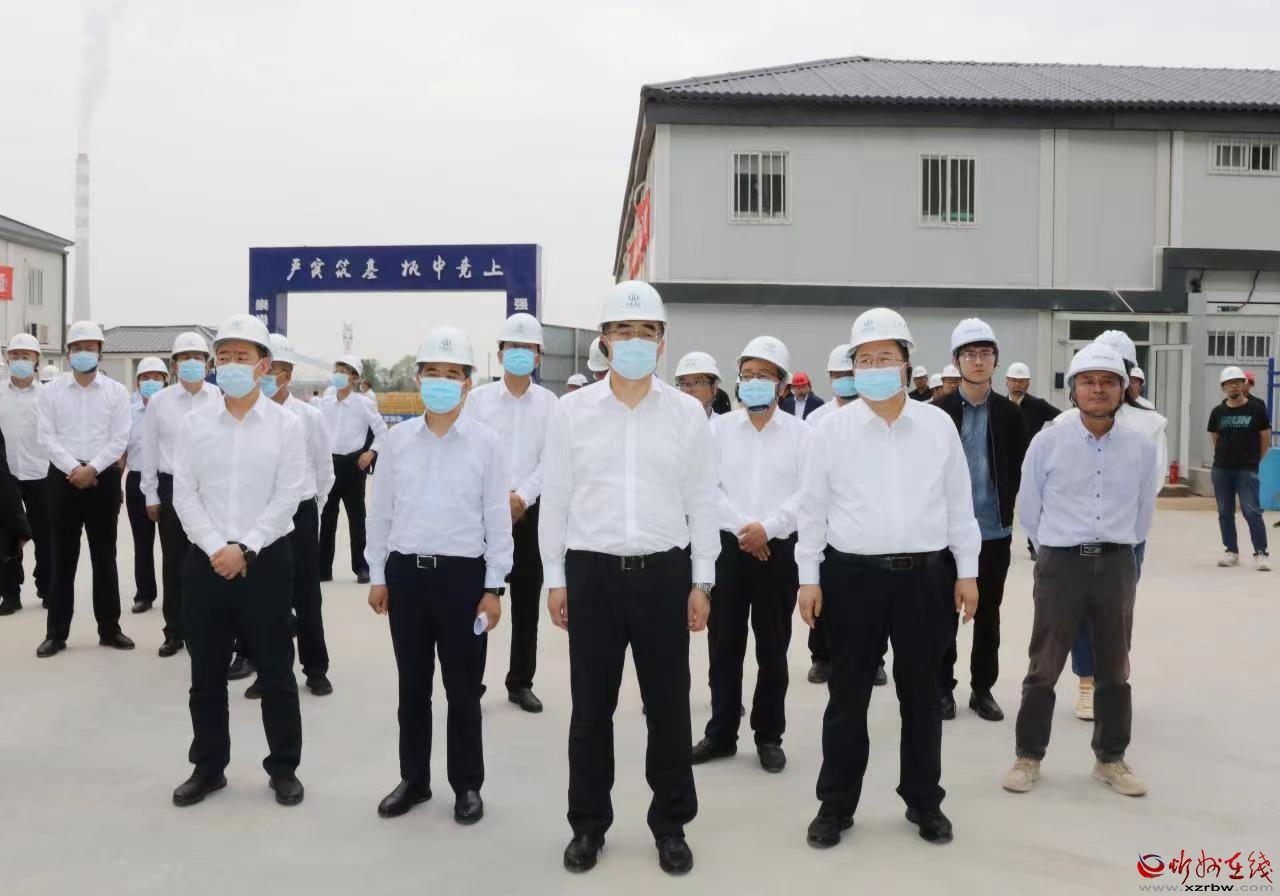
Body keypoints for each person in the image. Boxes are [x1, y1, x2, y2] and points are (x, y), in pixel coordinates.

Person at [540, 280, 717, 876]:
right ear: (605, 341)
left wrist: (702, 580)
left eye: (647, 332)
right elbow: (557, 498)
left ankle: (671, 824)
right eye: (623, 331)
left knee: (668, 708)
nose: (635, 341)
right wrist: (555, 577)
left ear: (662, 342)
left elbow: (702, 500)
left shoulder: (687, 414)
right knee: (591, 708)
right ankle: (588, 824)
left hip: (665, 574)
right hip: (593, 574)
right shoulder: (572, 412)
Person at [798, 307, 979, 849]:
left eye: (886, 357)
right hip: (853, 579)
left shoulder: (937, 425)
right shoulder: (830, 430)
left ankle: (924, 800)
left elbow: (959, 504)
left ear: (906, 364)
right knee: (847, 696)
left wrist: (967, 572)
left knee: (922, 696)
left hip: (925, 578)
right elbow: (812, 509)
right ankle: (835, 805)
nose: (876, 367)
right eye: (866, 359)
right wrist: (809, 577)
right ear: (853, 366)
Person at [366, 325, 512, 823]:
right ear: (419, 378)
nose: (443, 381)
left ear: (468, 382)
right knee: (413, 686)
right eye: (433, 372)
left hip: (463, 580)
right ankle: (414, 779)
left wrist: (494, 587)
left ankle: (467, 784)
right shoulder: (397, 441)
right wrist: (378, 574)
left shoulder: (487, 444)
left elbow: (497, 520)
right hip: (406, 576)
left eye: (453, 374)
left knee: (463, 688)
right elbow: (380, 513)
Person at [1002, 342, 1157, 798]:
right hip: (1061, 564)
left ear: (1123, 389)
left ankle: (1110, 759)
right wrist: (1053, 551)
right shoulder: (1049, 440)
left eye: (1108, 382)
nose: (1098, 389)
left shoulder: (1140, 445)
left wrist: (1119, 548)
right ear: (1073, 389)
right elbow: (1029, 508)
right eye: (1088, 381)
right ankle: (1028, 757)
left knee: (1115, 667)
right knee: (1044, 665)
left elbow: (1143, 512)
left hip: (1117, 563)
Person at [170, 313, 307, 809]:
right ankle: (208, 767)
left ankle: (284, 768)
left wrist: (245, 548)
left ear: (263, 365)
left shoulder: (287, 425)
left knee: (275, 670)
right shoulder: (194, 424)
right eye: (223, 356)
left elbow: (288, 495)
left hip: (265, 560)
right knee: (205, 672)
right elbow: (184, 494)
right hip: (207, 559)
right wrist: (216, 548)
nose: (229, 364)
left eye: (240, 357)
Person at [692, 336, 810, 774]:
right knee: (724, 646)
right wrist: (748, 529)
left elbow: (808, 494)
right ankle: (721, 732)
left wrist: (770, 528)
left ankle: (768, 735)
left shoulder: (802, 435)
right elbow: (706, 488)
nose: (754, 381)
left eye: (764, 375)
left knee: (773, 649)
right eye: (747, 375)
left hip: (779, 553)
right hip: (729, 549)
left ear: (782, 385)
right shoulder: (718, 430)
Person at [1049, 341, 1167, 720]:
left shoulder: (1150, 423)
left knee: (1116, 611)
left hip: (1125, 536)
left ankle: (1110, 681)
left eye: (1113, 374)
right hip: (1077, 535)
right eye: (1091, 377)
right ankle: (1087, 682)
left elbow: (1154, 481)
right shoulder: (1065, 424)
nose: (1100, 386)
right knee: (1081, 611)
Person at [933, 319, 1027, 723]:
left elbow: (1019, 469)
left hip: (993, 531)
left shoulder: (1010, 414)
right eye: (969, 354)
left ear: (995, 361)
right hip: (943, 535)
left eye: (985, 353)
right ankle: (942, 689)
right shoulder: (937, 413)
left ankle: (982, 689)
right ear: (956, 361)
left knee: (988, 615)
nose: (977, 360)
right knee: (942, 616)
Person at [464, 313, 556, 714]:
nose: (520, 353)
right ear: (500, 354)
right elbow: (470, 453)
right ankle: (471, 681)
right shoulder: (479, 401)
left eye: (528, 347)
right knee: (480, 599)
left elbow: (552, 459)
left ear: (538, 356)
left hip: (530, 513)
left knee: (526, 605)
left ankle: (520, 682)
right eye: (513, 346)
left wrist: (522, 497)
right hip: (484, 514)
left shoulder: (550, 404)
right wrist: (499, 498)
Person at [243, 334, 338, 698]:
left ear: (288, 374)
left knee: (307, 596)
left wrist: (313, 508)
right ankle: (269, 672)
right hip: (261, 515)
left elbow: (324, 470)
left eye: (277, 370)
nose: (270, 377)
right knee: (267, 598)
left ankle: (316, 669)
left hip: (300, 512)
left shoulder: (309, 417)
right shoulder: (247, 415)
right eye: (266, 370)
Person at [35, 320, 134, 658]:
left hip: (103, 477)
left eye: (90, 347)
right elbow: (47, 436)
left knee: (104, 556)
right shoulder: (51, 392)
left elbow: (119, 438)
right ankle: (56, 634)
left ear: (100, 352)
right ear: (68, 353)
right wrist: (74, 468)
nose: (84, 353)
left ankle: (110, 629)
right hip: (62, 478)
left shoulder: (116, 392)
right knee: (62, 558)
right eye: (77, 348)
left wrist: (92, 468)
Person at [803, 344, 887, 689]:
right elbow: (810, 481)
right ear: (830, 377)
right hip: (826, 527)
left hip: (864, 526)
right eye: (836, 375)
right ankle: (822, 656)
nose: (843, 381)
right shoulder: (817, 420)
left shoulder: (878, 415)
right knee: (824, 596)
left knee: (875, 603)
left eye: (846, 375)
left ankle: (875, 659)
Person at [141, 332, 221, 660]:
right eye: (184, 358)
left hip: (210, 487)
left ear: (208, 364)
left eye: (197, 357)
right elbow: (149, 448)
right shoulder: (160, 401)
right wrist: (150, 494)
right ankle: (174, 631)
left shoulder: (220, 397)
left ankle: (209, 630)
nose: (191, 363)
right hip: (171, 486)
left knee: (209, 560)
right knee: (174, 562)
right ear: (174, 366)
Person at [318, 354, 388, 584]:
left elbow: (382, 431)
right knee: (327, 518)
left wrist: (371, 452)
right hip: (329, 464)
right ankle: (323, 568)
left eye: (344, 371)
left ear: (354, 377)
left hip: (353, 465)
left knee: (357, 518)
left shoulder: (363, 404)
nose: (339, 375)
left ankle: (362, 567)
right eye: (337, 370)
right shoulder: (324, 403)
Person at [0, 334, 52, 615]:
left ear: (36, 361)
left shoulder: (48, 395)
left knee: (46, 535)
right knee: (6, 537)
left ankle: (47, 586)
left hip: (40, 473)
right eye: (15, 355)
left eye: (26, 356)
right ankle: (10, 593)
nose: (20, 360)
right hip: (5, 476)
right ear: (7, 359)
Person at [1208, 366, 1270, 571]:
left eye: (1237, 382)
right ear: (1223, 387)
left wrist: (1254, 461)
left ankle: (1261, 553)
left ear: (1244, 384)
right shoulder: (1217, 412)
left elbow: (1265, 438)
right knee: (1225, 512)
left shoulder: (1257, 410)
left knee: (1252, 511)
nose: (1233, 386)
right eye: (1229, 383)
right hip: (1222, 469)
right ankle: (1231, 552)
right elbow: (1215, 438)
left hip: (1247, 469)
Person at [125, 357, 169, 614]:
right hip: (136, 480)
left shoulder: (172, 410)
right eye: (145, 378)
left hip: (166, 481)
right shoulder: (129, 413)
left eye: (156, 377)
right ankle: (144, 594)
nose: (150, 382)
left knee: (172, 544)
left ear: (166, 381)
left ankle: (176, 595)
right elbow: (121, 449)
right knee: (142, 542)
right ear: (137, 382)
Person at [674, 351, 723, 418]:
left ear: (714, 387)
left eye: (697, 382)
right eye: (683, 383)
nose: (688, 389)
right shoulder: (669, 423)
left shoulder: (723, 424)